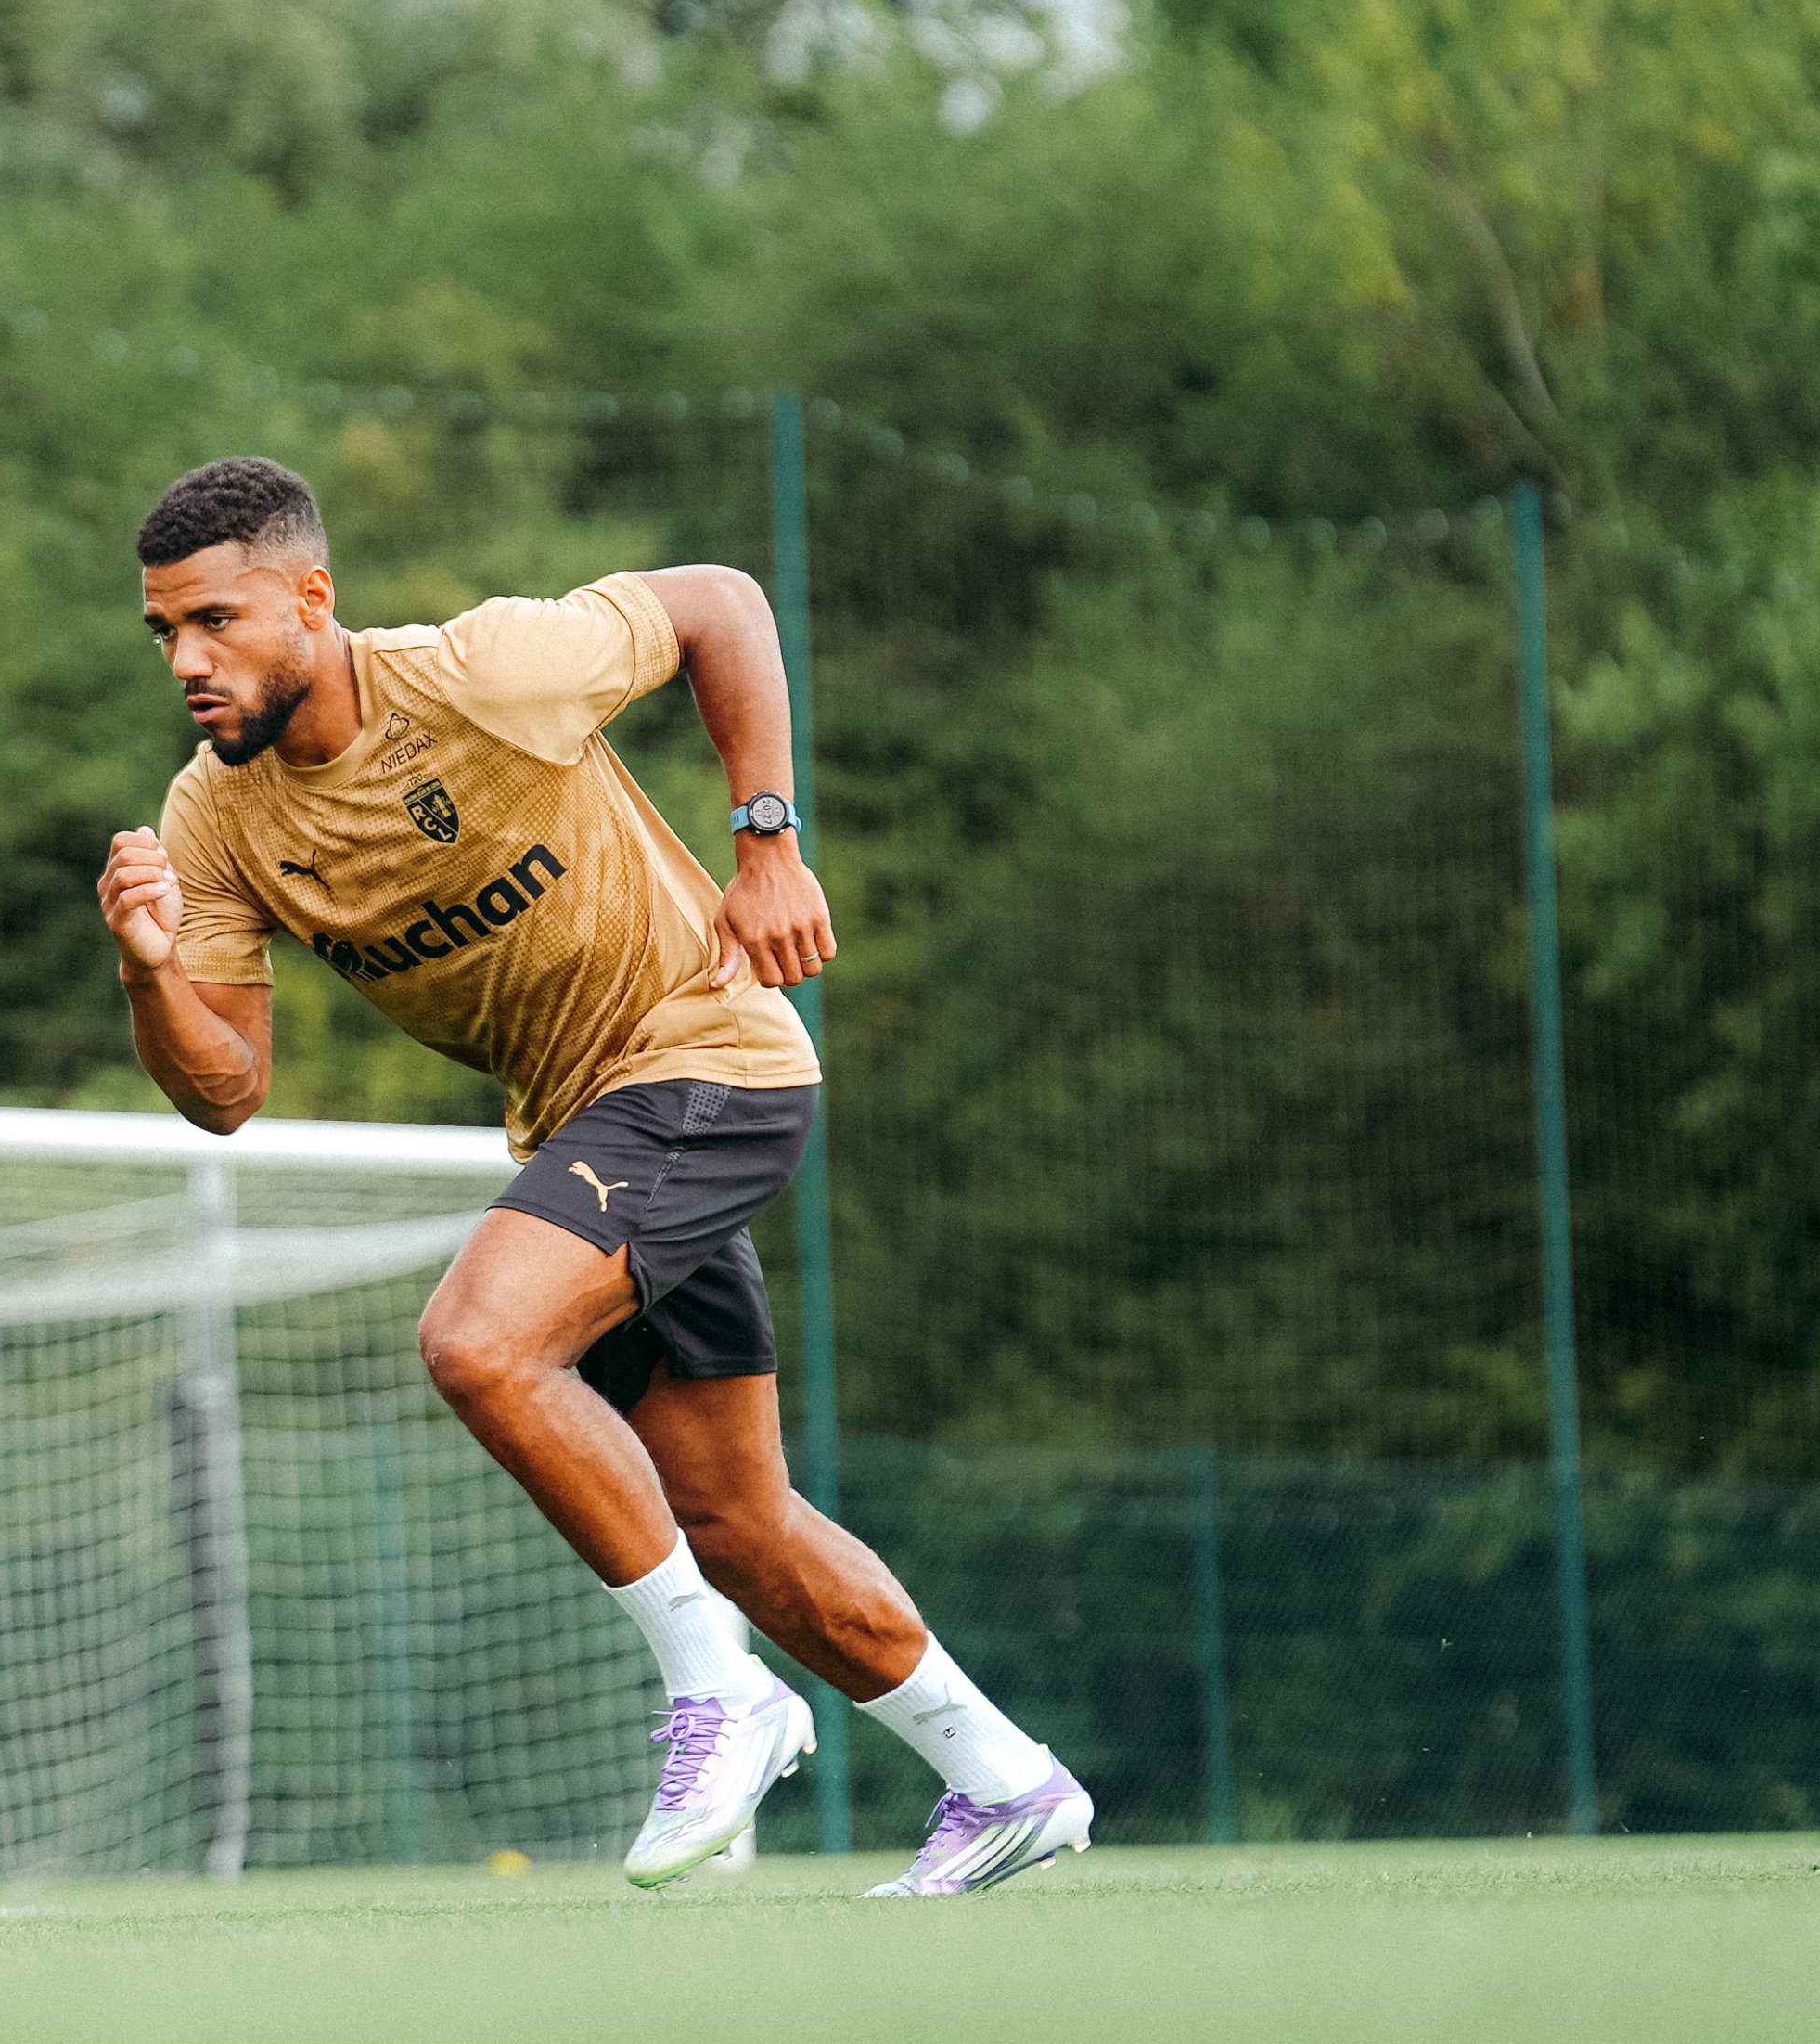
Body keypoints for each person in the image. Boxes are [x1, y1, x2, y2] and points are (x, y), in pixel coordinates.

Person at [94, 456, 1088, 1896]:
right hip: (591, 1133)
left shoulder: (484, 674)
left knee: (479, 1344)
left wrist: (767, 842)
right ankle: (1006, 1780)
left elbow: (722, 604)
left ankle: (722, 1697)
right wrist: (150, 976)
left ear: (312, 596)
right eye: (165, 633)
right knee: (736, 1523)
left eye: (216, 620)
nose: (188, 660)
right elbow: (227, 1093)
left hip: (707, 1063)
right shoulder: (214, 820)